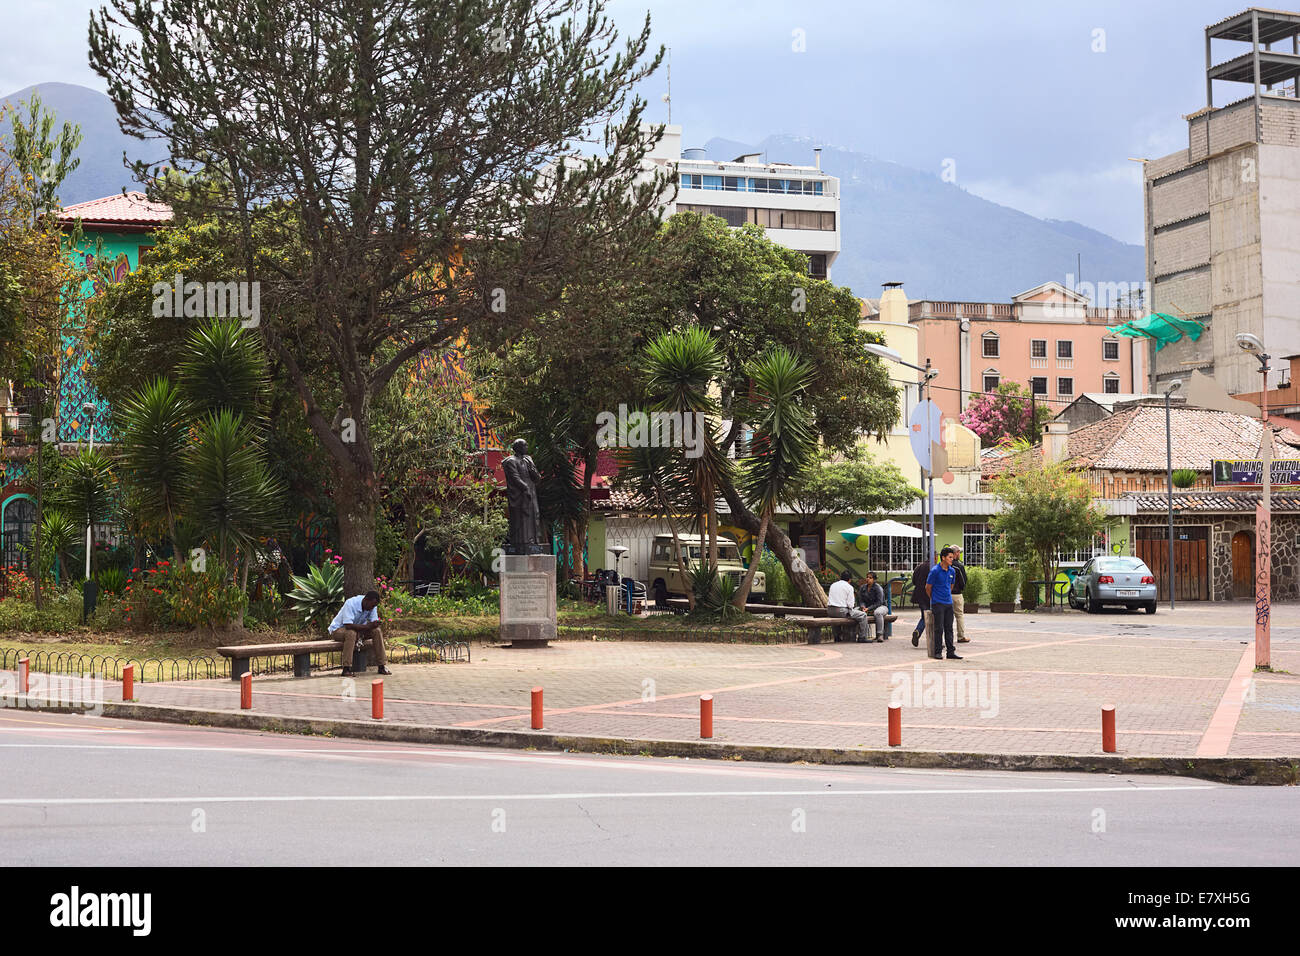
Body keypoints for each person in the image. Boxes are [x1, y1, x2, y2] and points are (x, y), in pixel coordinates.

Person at [328, 590, 392, 677]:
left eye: (374, 606)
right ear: (366, 600)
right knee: (351, 633)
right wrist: (368, 627)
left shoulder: (372, 606)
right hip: (338, 630)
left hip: (358, 630)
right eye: (372, 605)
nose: (372, 608)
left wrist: (375, 624)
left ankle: (382, 666)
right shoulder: (350, 603)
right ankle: (346, 668)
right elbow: (348, 625)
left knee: (377, 631)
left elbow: (373, 623)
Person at [926, 547, 963, 660]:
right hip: (938, 603)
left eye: (953, 557)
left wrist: (946, 596)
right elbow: (928, 587)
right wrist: (934, 598)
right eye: (950, 557)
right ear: (943, 558)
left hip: (948, 603)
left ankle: (950, 652)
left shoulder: (952, 571)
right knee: (939, 628)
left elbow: (950, 586)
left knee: (949, 628)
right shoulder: (935, 571)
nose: (952, 559)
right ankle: (937, 652)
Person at [827, 569, 872, 643]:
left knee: (836, 618)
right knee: (863, 615)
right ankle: (862, 637)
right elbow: (850, 605)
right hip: (841, 611)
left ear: (840, 578)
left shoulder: (833, 585)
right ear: (849, 580)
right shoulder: (849, 587)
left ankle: (837, 637)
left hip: (830, 611)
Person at [949, 544, 971, 644]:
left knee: (947, 617)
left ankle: (947, 637)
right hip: (957, 594)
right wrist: (961, 588)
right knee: (959, 615)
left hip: (946, 594)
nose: (959, 554)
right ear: (955, 553)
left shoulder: (945, 565)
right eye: (958, 552)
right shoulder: (958, 566)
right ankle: (961, 636)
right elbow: (963, 580)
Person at [858, 571, 888, 642]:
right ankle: (861, 635)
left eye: (870, 578)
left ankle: (880, 634)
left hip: (881, 606)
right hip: (867, 607)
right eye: (867, 577)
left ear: (874, 580)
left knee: (877, 613)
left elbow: (879, 602)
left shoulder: (878, 588)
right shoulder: (863, 588)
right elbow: (861, 600)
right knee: (856, 611)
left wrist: (868, 608)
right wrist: (863, 606)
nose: (868, 579)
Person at [910, 559, 931, 647]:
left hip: (919, 595)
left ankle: (918, 631)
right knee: (930, 617)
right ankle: (934, 639)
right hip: (929, 595)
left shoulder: (919, 566)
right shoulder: (933, 567)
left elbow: (914, 580)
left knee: (924, 615)